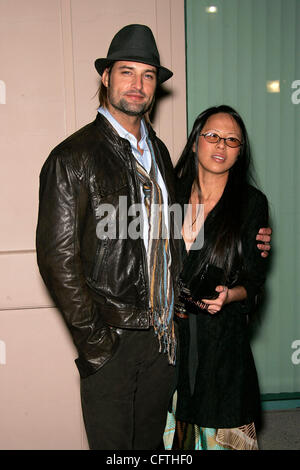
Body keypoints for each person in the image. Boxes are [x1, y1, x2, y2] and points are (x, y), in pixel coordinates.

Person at [36, 24, 271, 450]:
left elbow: (180, 235)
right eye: (127, 71)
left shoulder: (160, 153)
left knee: (152, 449)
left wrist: (246, 237)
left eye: (148, 75)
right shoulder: (72, 158)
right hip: (112, 339)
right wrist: (98, 344)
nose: (137, 84)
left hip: (165, 337)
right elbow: (57, 260)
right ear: (106, 77)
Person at [164, 105, 270, 451]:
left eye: (232, 140)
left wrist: (231, 294)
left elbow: (254, 282)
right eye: (212, 136)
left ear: (240, 153)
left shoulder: (251, 203)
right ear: (196, 142)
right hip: (170, 343)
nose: (221, 145)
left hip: (222, 341)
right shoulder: (169, 195)